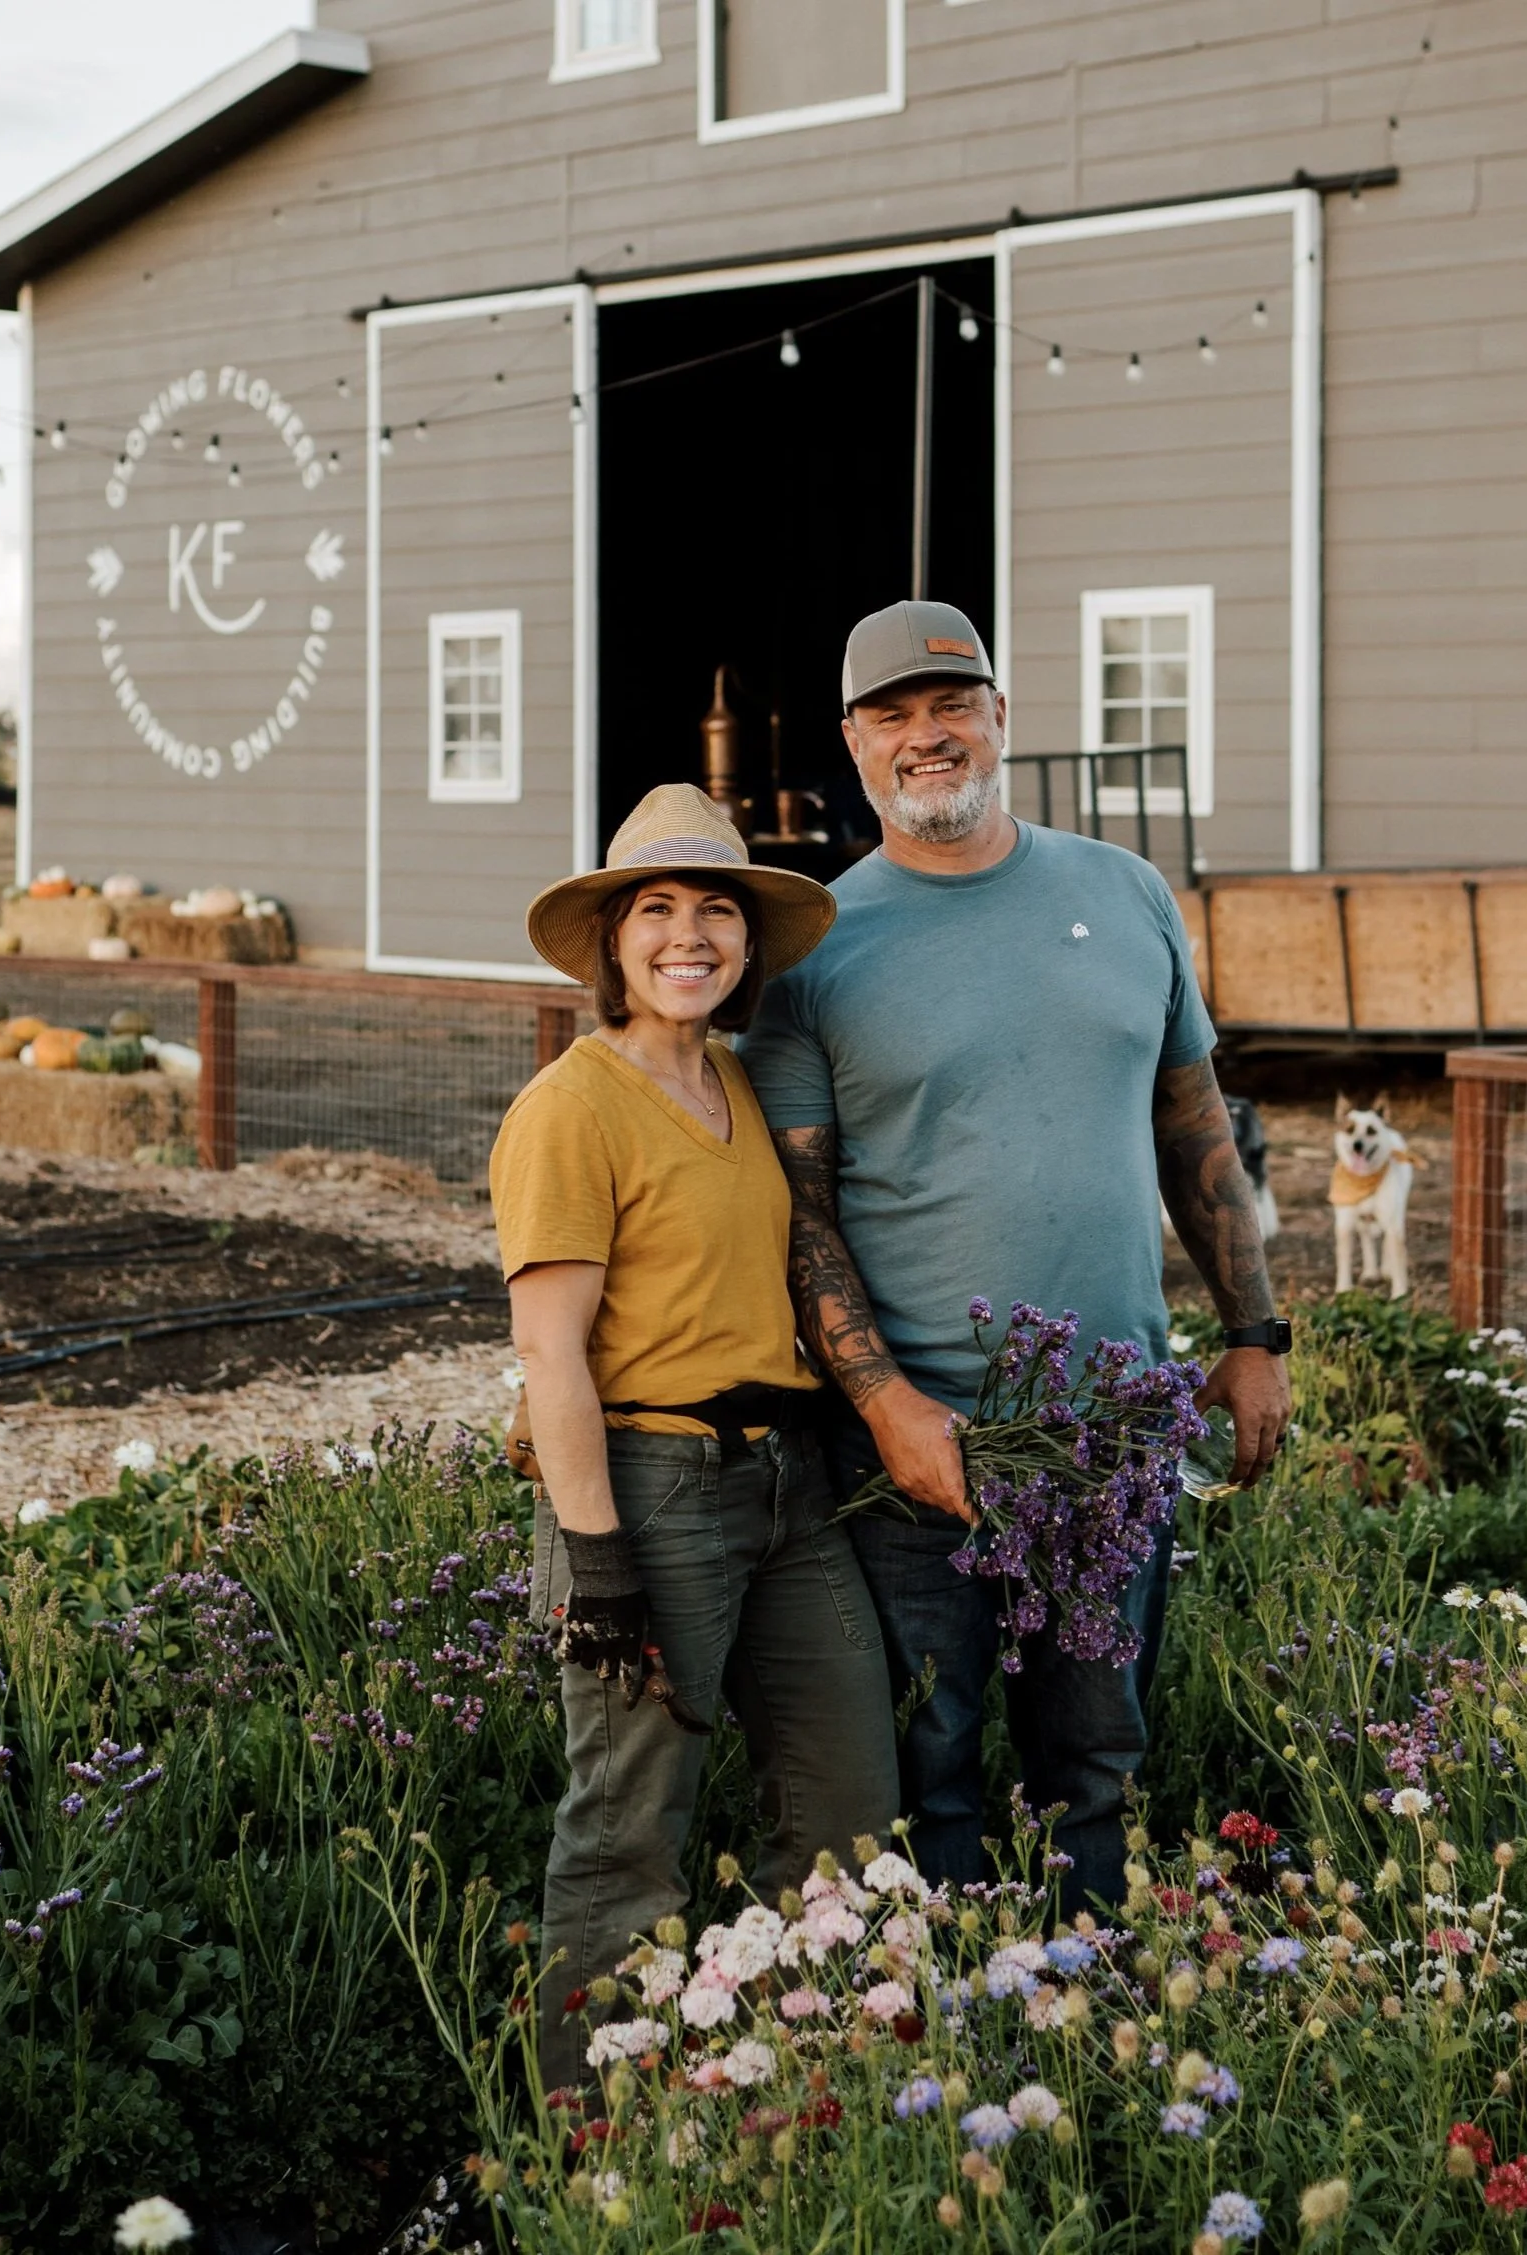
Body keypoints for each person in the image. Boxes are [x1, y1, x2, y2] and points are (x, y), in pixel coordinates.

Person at [738, 600, 1289, 1910]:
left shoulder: (1125, 891)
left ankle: (1083, 1988)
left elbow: (1194, 1123)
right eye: (892, 715)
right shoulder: (811, 951)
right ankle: (946, 2005)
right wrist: (888, 1405)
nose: (926, 735)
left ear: (1000, 716)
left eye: (951, 704)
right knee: (925, 1762)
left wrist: (1254, 1334)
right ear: (853, 742)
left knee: (1092, 1758)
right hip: (920, 1445)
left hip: (1114, 1423)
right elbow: (800, 1213)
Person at [491, 782, 898, 2092]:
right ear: (612, 942)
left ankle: (804, 2087)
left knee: (846, 1803)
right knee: (627, 1833)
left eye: (715, 909)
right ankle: (589, 2133)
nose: (688, 935)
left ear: (747, 942)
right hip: (651, 1488)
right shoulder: (571, 1108)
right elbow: (551, 1354)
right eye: (655, 909)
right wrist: (598, 1560)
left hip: (785, 1483)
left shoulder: (731, 1080)